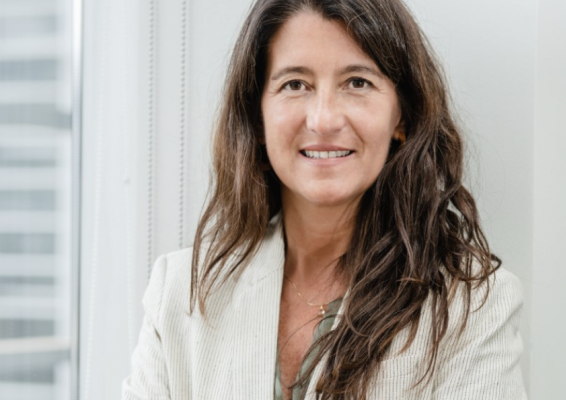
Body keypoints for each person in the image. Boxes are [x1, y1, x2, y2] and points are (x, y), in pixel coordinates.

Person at [122, 0, 528, 399]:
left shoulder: (474, 306)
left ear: (401, 116)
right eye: (294, 84)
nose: (323, 120)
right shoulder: (180, 291)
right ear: (257, 117)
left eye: (357, 83)